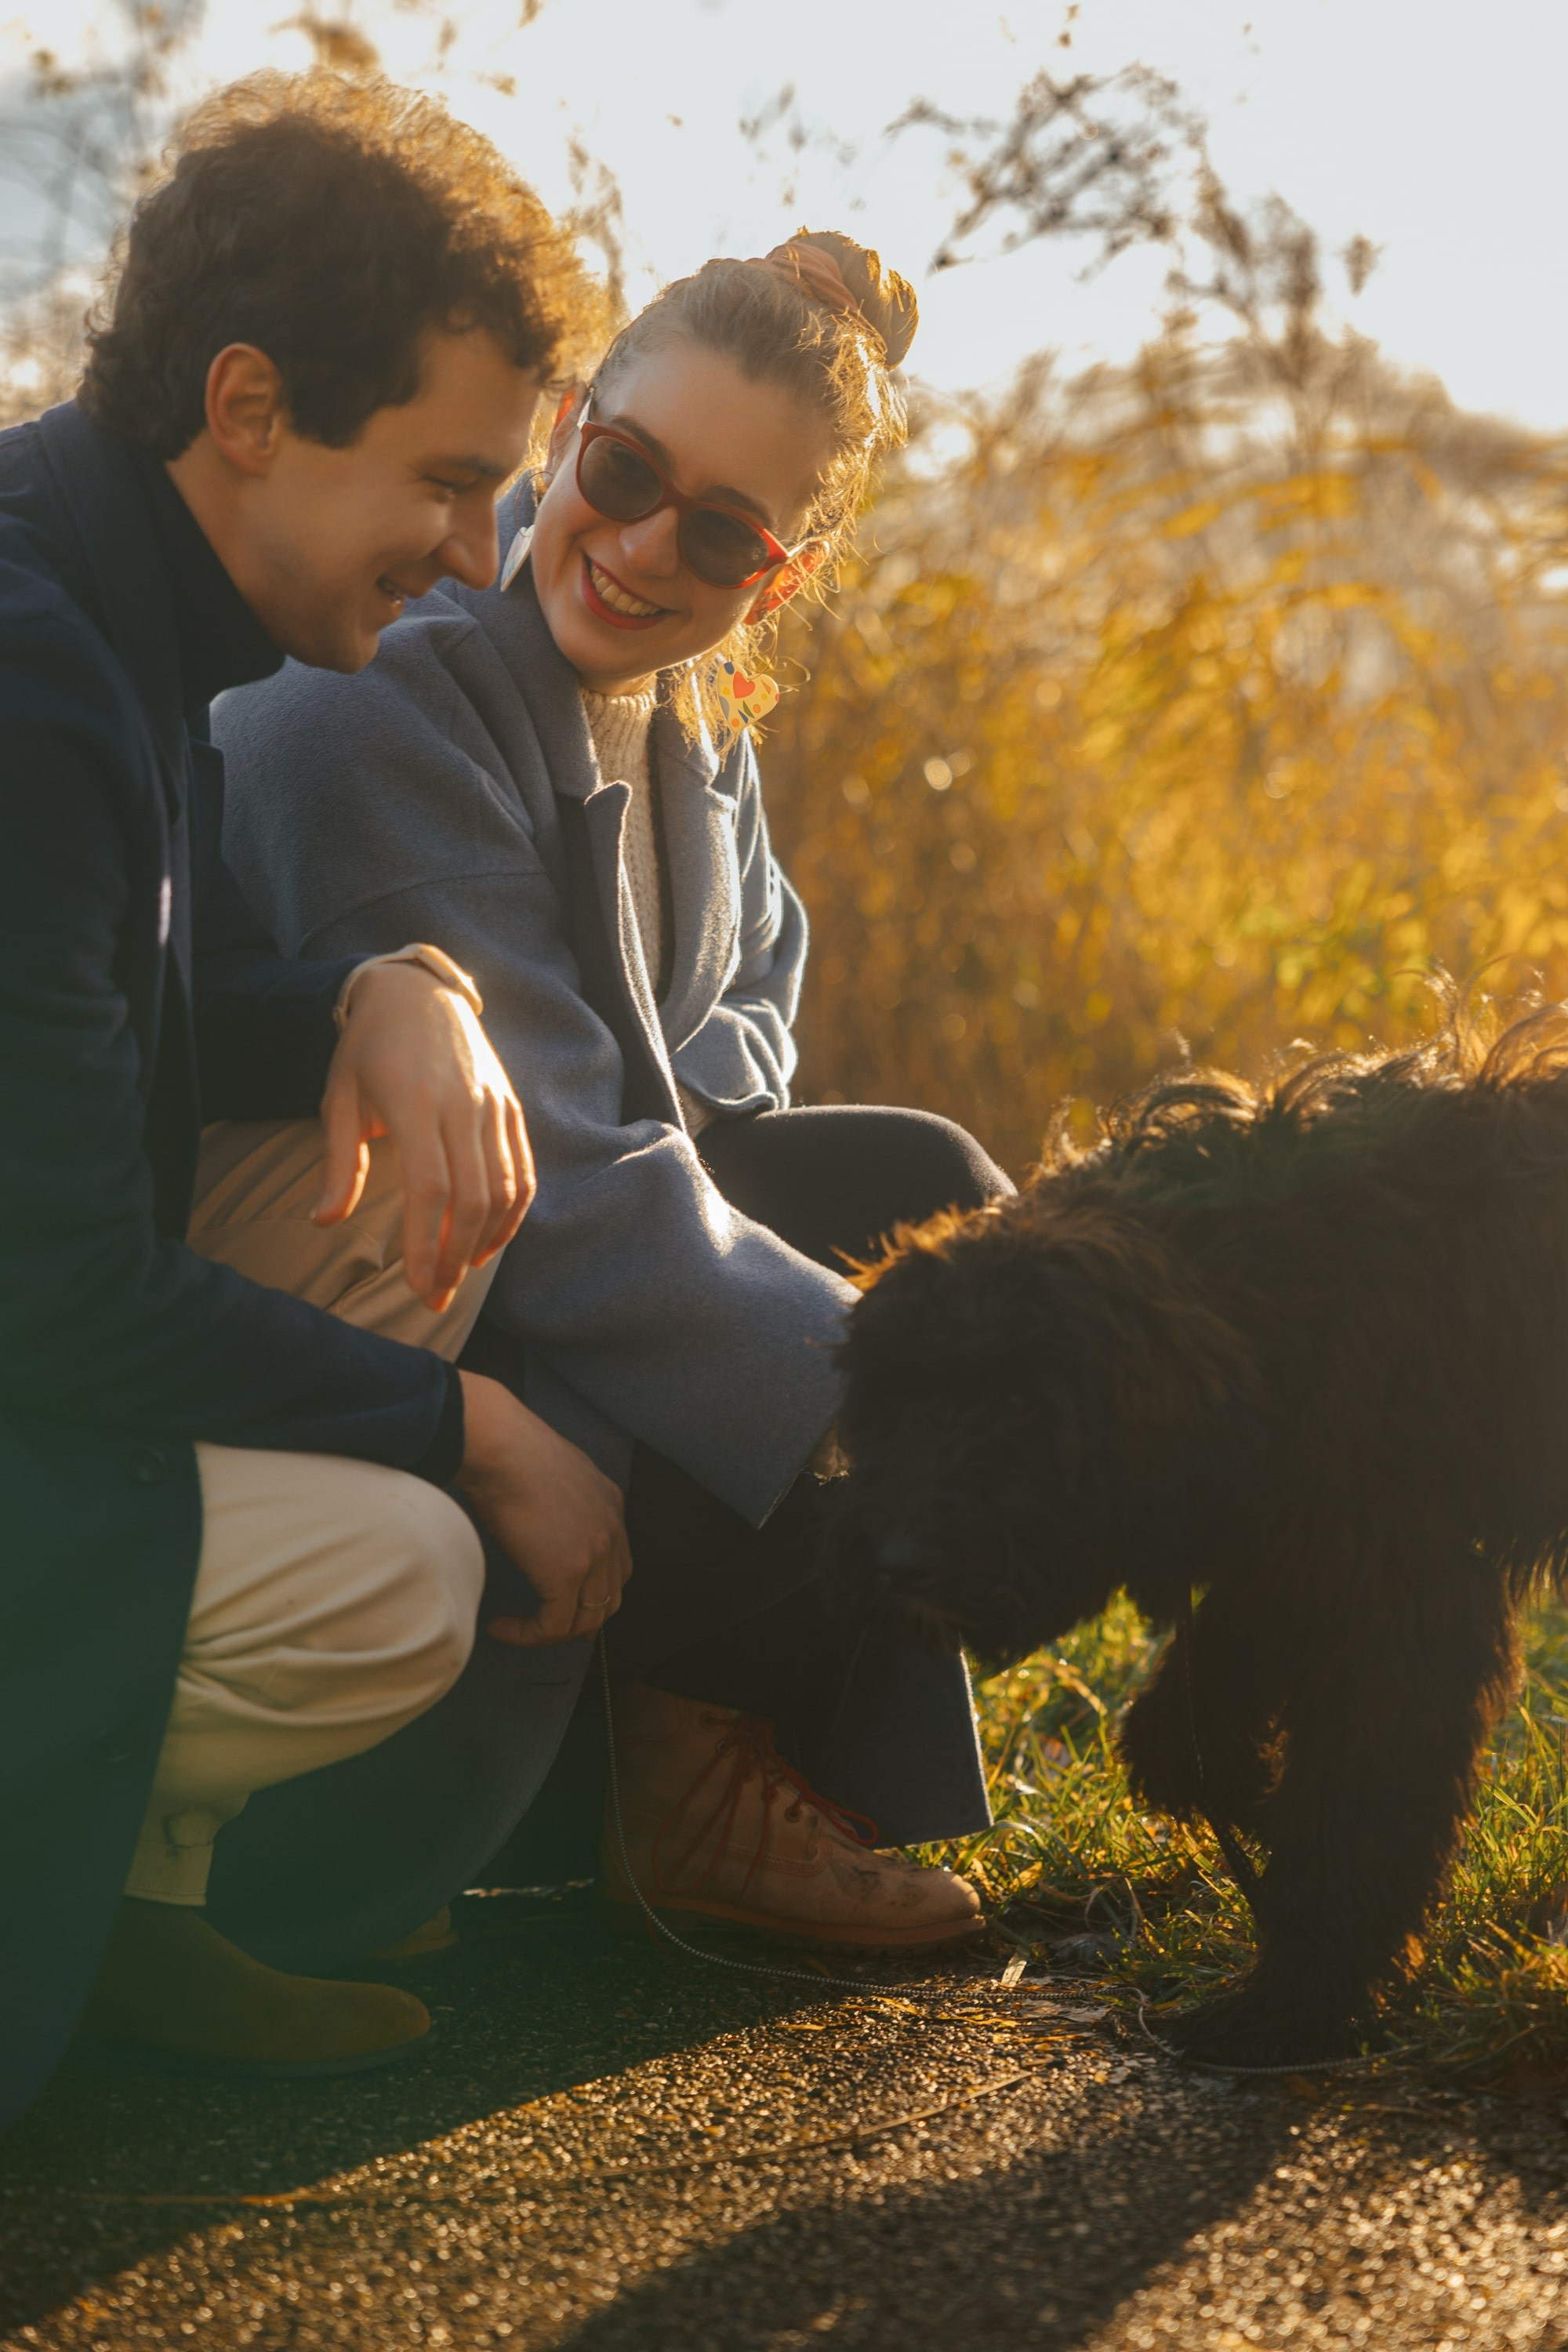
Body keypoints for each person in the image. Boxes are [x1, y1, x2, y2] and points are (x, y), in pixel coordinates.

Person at [216, 230, 1013, 1954]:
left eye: (721, 531)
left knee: (915, 1189)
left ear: (775, 576)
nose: (648, 546)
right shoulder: (388, 688)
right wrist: (903, 1388)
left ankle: (704, 1751)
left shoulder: (684, 707)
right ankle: (579, 1782)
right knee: (873, 1317)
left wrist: (699, 1155)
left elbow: (748, 1012)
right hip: (383, 1276)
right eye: (628, 471)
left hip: (550, 1214)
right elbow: (556, 1178)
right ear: (570, 422)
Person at [0, 68, 625, 2126]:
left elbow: (96, 1032)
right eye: (447, 483)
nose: (473, 556)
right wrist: (476, 1427)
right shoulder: (34, 684)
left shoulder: (117, 594)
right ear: (251, 407)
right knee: (405, 1571)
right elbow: (60, 1292)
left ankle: (138, 1914)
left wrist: (383, 986)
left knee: (436, 1160)